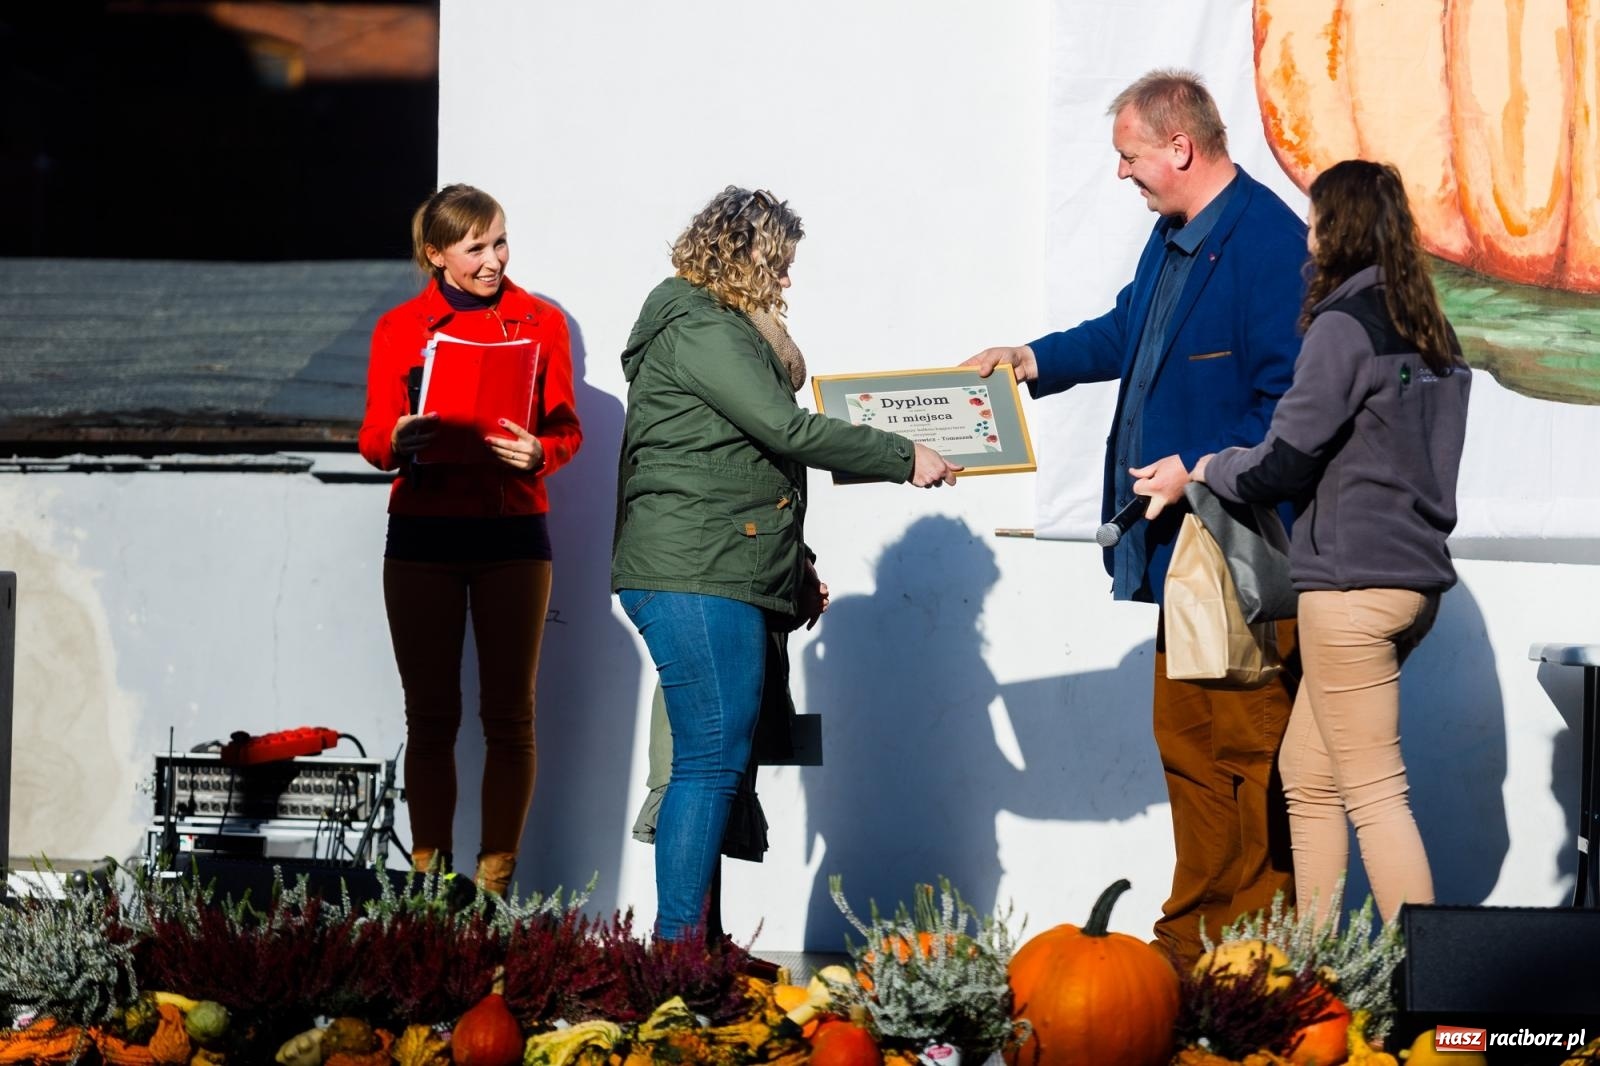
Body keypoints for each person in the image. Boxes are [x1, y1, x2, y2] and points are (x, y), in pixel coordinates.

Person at [966, 69, 1307, 965]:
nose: (1122, 174)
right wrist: (1030, 359)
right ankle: (1190, 937)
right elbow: (1126, 331)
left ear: (1180, 148)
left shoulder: (1271, 245)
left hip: (1242, 554)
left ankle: (1254, 947)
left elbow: (1291, 403)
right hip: (1178, 555)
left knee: (1248, 747)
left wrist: (1197, 469)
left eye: (1130, 157)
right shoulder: (1173, 236)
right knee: (1187, 743)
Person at [612, 185, 960, 945]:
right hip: (694, 571)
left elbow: (745, 461)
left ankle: (701, 947)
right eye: (782, 264)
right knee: (709, 760)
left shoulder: (715, 329)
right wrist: (905, 455)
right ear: (747, 257)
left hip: (716, 562)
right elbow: (784, 429)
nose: (788, 282)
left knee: (719, 760)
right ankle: (678, 956)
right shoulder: (702, 327)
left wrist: (792, 563)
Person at [1193, 159, 1471, 927]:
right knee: (1307, 776)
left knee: (1376, 793)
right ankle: (1320, 975)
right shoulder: (1431, 331)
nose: (1307, 239)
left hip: (1349, 591)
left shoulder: (1344, 328)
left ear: (1338, 230)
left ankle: (1429, 1003)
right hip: (1411, 589)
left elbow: (1284, 459)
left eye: (1315, 223)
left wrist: (1208, 467)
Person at [358, 183, 582, 895]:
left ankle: (493, 887)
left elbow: (567, 427)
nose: (494, 260)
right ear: (437, 255)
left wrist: (539, 453)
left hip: (512, 534)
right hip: (422, 535)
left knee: (509, 713)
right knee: (429, 716)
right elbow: (371, 436)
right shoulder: (400, 328)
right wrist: (396, 439)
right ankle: (428, 886)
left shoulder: (540, 322)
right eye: (476, 247)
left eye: (501, 242)